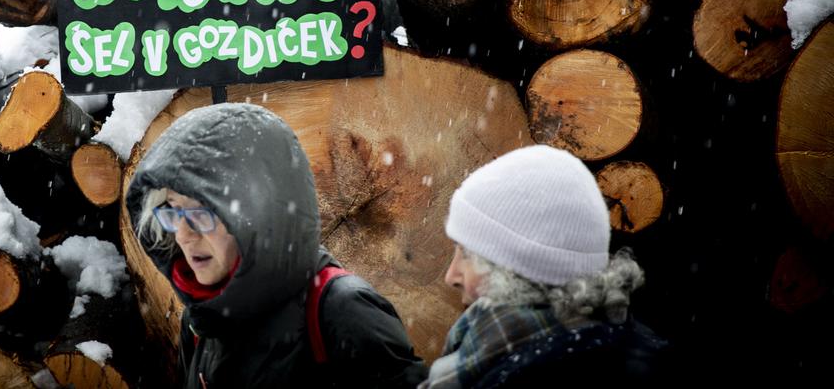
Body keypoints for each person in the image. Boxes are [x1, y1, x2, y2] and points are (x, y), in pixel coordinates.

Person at [126, 102, 428, 388]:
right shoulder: (200, 320)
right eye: (174, 212)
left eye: (200, 214)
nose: (183, 235)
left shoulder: (343, 311)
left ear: (257, 213)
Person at [420, 145, 667, 388]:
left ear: (515, 273)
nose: (451, 276)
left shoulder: (519, 373)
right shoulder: (625, 349)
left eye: (467, 255)